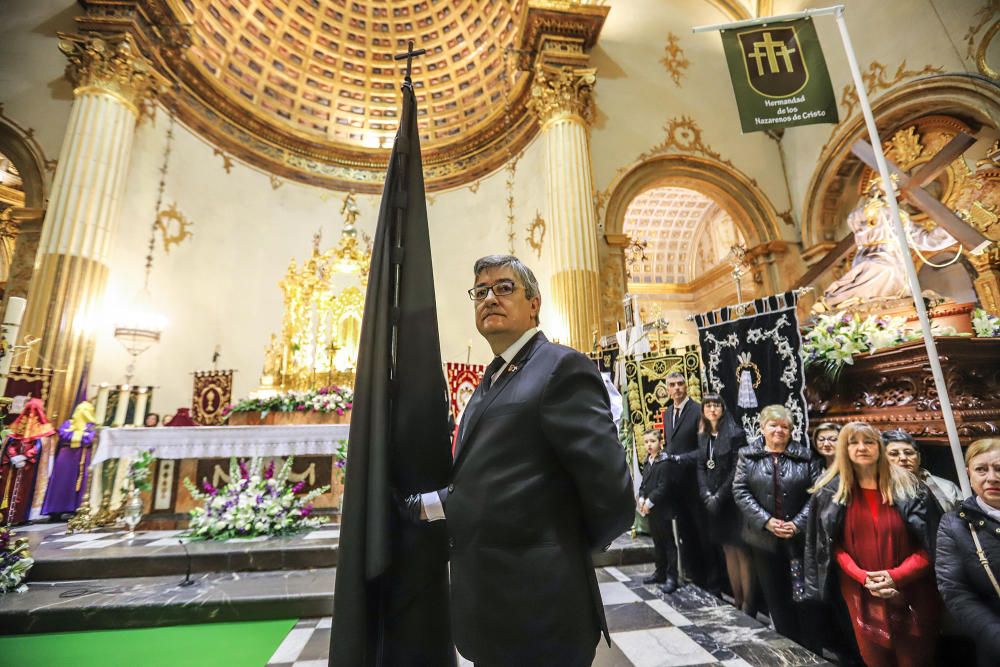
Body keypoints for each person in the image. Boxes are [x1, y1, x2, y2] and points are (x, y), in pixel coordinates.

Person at [410, 255, 634, 666]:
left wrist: (557, 546)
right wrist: (428, 504)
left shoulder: (560, 367)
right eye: (480, 291)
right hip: (490, 610)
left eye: (504, 287)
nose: (489, 298)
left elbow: (614, 496)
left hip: (542, 612)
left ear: (534, 303)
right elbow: (486, 477)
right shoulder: (491, 378)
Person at [805, 422, 941, 667]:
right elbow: (830, 546)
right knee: (875, 661)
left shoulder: (911, 487)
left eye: (868, 441)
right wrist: (863, 577)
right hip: (861, 592)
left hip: (911, 593)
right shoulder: (830, 491)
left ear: (879, 447)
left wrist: (895, 576)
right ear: (842, 449)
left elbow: (934, 543)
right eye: (853, 442)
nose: (861, 448)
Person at [732, 404, 822, 650]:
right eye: (773, 425)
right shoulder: (747, 456)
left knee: (803, 596)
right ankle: (788, 646)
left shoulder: (805, 456)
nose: (779, 430)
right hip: (764, 541)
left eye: (785, 427)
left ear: (791, 431)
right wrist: (767, 521)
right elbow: (740, 491)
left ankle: (812, 649)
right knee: (775, 596)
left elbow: (818, 494)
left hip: (798, 542)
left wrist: (797, 524)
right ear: (762, 428)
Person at [936, 438, 1000, 666]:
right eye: (981, 469)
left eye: (999, 468)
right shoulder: (955, 525)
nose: (992, 477)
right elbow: (956, 592)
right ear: (969, 474)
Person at [696, 394, 753, 612]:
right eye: (708, 406)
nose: (712, 409)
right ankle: (737, 599)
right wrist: (705, 493)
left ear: (723, 408)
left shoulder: (736, 433)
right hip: (712, 502)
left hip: (732, 501)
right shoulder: (703, 435)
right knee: (727, 549)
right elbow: (701, 466)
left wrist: (719, 495)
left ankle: (748, 603)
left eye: (716, 405)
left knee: (741, 551)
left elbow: (737, 469)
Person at [662, 371, 718, 591]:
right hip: (676, 484)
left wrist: (678, 458)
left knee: (702, 533)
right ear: (667, 389)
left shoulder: (697, 411)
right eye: (672, 385)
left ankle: (713, 583)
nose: (676, 388)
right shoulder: (667, 413)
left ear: (686, 386)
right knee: (685, 533)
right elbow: (671, 445)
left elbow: (703, 449)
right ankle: (696, 577)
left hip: (695, 482)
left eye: (680, 384)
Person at [883, 429, 964, 512]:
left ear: (918, 457)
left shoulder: (947, 487)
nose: (903, 458)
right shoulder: (879, 488)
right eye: (894, 454)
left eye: (908, 453)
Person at [41, 401, 97, 518]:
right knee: (62, 480)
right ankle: (55, 509)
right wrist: (81, 435)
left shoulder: (92, 426)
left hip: (83, 455)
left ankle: (77, 508)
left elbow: (90, 439)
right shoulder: (68, 423)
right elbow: (63, 435)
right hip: (66, 456)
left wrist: (75, 435)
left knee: (81, 480)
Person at [638, 428, 674, 589]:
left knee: (668, 543)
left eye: (652, 441)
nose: (649, 445)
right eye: (646, 442)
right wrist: (640, 498)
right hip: (651, 511)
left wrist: (648, 502)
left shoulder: (665, 462)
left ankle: (672, 576)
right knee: (657, 542)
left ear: (661, 442)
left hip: (663, 509)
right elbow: (644, 484)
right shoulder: (647, 461)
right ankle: (660, 572)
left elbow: (663, 487)